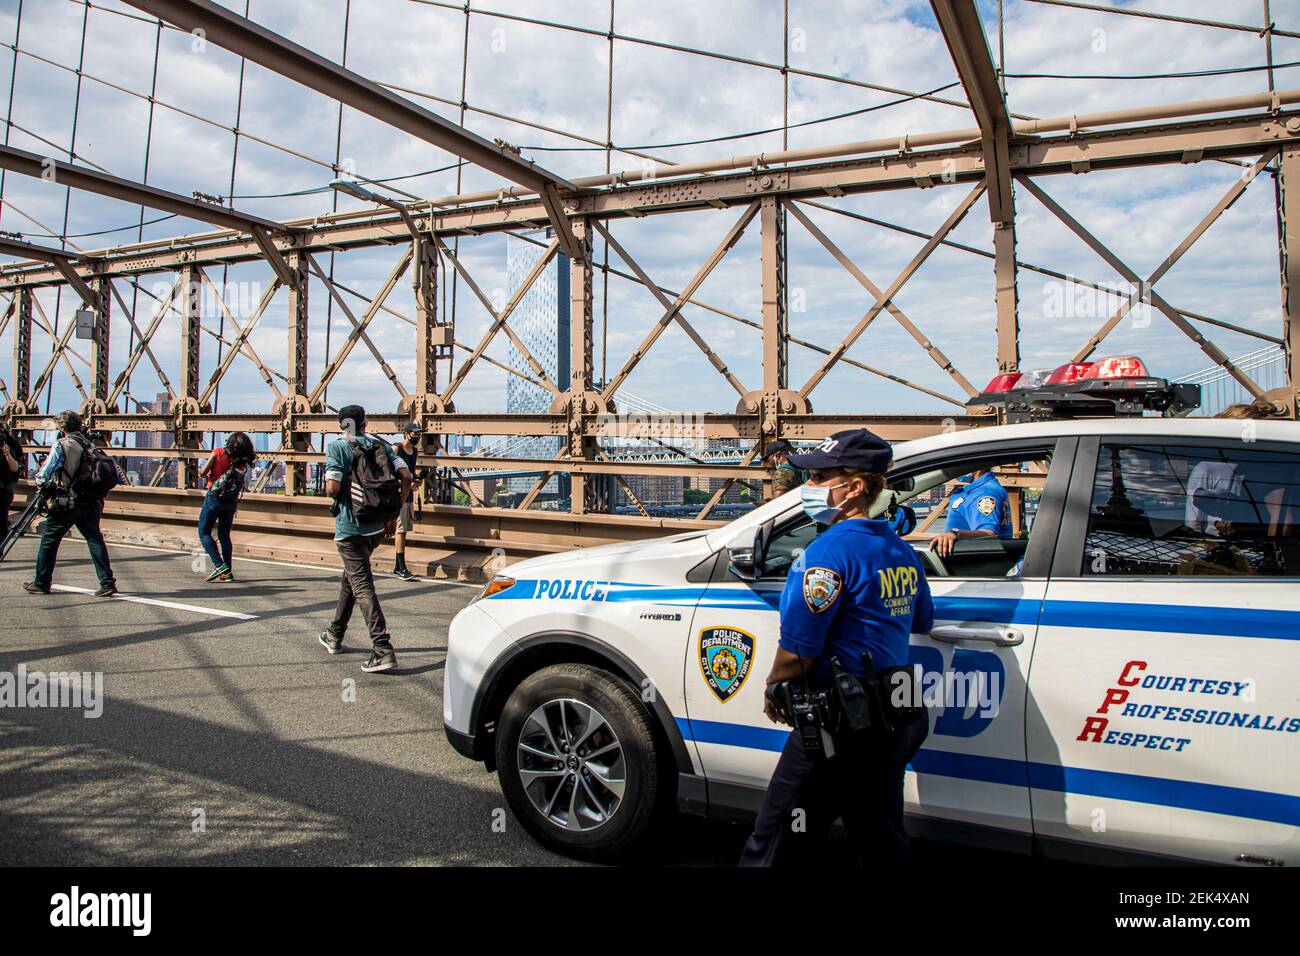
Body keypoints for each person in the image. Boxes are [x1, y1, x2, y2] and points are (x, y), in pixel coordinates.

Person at [738, 428, 934, 867]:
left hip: (836, 723)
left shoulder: (825, 555)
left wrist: (775, 686)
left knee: (775, 842)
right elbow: (921, 619)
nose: (808, 488)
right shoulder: (902, 551)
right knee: (880, 838)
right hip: (892, 716)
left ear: (856, 486)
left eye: (820, 477)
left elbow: (799, 650)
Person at [319, 404, 412, 673]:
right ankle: (334, 634)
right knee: (351, 580)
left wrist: (337, 492)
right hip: (375, 528)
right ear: (365, 423)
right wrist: (394, 513)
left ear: (341, 424)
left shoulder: (337, 447)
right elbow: (405, 476)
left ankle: (382, 648)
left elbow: (332, 487)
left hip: (350, 528)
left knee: (362, 586)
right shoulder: (378, 445)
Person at [24, 410, 116, 596]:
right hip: (90, 502)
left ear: (62, 427)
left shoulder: (63, 445)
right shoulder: (91, 445)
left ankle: (41, 582)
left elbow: (43, 474)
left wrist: (43, 485)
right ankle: (107, 583)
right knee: (94, 539)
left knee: (49, 540)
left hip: (67, 502)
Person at [196, 432, 255, 583]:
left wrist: (201, 472)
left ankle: (219, 564)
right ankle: (227, 572)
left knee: (203, 532)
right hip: (230, 502)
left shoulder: (218, 453)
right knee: (224, 536)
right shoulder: (242, 462)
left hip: (214, 498)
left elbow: (203, 473)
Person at [929, 468, 1011, 557]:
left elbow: (988, 533)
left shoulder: (984, 492)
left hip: (968, 559)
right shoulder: (980, 489)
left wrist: (955, 534)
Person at [390, 422, 425, 581]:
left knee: (404, 530)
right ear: (406, 433)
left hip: (409, 496)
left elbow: (410, 472)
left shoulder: (414, 451)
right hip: (398, 495)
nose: (417, 437)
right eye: (414, 434)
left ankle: (398, 566)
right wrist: (405, 484)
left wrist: (416, 480)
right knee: (400, 530)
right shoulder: (396, 449)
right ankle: (401, 567)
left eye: (419, 434)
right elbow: (389, 473)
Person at [0, 423, 24, 545]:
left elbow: (15, 468)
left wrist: (7, 454)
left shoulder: (7, 445)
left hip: (3, 489)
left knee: (2, 522)